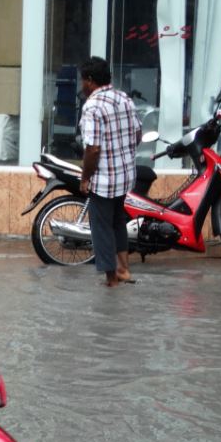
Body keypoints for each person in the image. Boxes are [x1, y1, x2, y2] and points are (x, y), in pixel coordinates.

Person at [78, 56, 142, 287]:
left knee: (102, 228)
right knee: (117, 222)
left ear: (91, 81)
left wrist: (85, 178)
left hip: (104, 179)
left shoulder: (93, 106)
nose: (81, 85)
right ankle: (124, 269)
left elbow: (93, 149)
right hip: (125, 175)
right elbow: (137, 135)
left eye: (83, 80)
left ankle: (111, 279)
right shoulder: (124, 98)